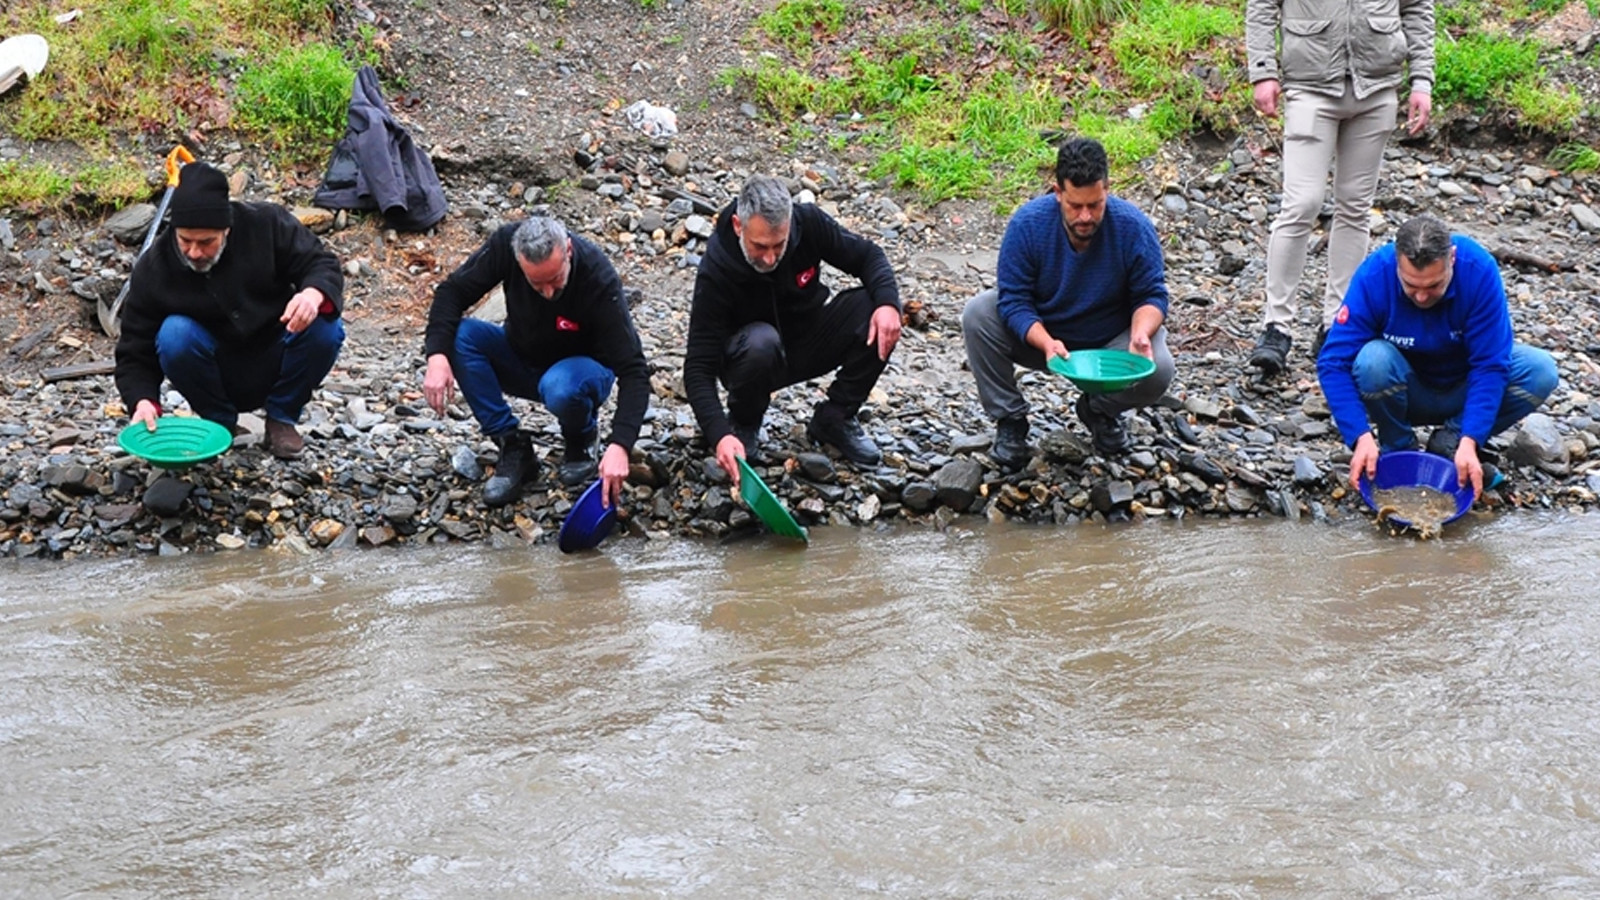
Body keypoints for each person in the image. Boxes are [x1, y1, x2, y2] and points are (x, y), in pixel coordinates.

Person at [1244, 0, 1435, 376]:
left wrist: (1422, 80)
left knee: (1355, 207)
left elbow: (1417, 7)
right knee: (1301, 204)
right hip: (1309, 84)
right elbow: (1263, 5)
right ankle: (1276, 326)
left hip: (1377, 87)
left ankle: (1338, 322)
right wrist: (1262, 71)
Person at [962, 137, 1174, 469]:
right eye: (1075, 206)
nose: (1086, 216)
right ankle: (1010, 421)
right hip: (1046, 335)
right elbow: (1014, 301)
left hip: (1109, 343)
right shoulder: (1027, 225)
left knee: (1160, 368)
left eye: (1096, 204)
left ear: (1107, 189)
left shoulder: (1133, 227)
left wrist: (1141, 333)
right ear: (1057, 192)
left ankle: (1099, 410)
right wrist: (1046, 342)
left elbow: (1152, 294)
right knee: (978, 313)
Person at [114, 162, 346, 460]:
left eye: (206, 242)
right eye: (185, 241)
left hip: (277, 353)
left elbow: (321, 263)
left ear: (227, 228)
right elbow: (135, 349)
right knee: (174, 333)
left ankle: (281, 418)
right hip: (212, 368)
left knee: (326, 327)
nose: (195, 253)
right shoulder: (154, 267)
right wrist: (143, 401)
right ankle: (219, 423)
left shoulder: (267, 224)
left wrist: (312, 295)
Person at [1317, 215, 1558, 498]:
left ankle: (1450, 443)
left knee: (1541, 370)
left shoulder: (1478, 271)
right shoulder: (1375, 275)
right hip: (1400, 389)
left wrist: (1470, 440)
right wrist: (1359, 437)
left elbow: (1490, 366)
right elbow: (1333, 363)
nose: (1421, 297)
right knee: (1372, 360)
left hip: (1462, 387)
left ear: (1451, 259)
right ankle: (1399, 448)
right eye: (1410, 286)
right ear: (1397, 263)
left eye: (1433, 286)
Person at [684, 174, 903, 484]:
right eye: (760, 246)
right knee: (762, 343)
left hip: (806, 340)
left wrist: (888, 304)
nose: (770, 258)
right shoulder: (717, 267)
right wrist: (718, 434)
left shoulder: (808, 223)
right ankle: (744, 424)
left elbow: (869, 257)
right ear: (738, 226)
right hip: (749, 358)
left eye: (779, 245)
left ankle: (835, 417)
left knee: (876, 308)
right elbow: (697, 367)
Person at [423, 216, 649, 508]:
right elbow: (451, 293)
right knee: (459, 336)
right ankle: (513, 446)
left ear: (568, 251)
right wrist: (437, 356)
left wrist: (620, 445)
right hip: (522, 357)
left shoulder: (597, 276)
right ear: (518, 262)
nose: (548, 293)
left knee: (560, 387)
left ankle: (580, 437)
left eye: (555, 280)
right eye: (536, 284)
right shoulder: (506, 244)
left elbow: (634, 370)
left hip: (580, 374)